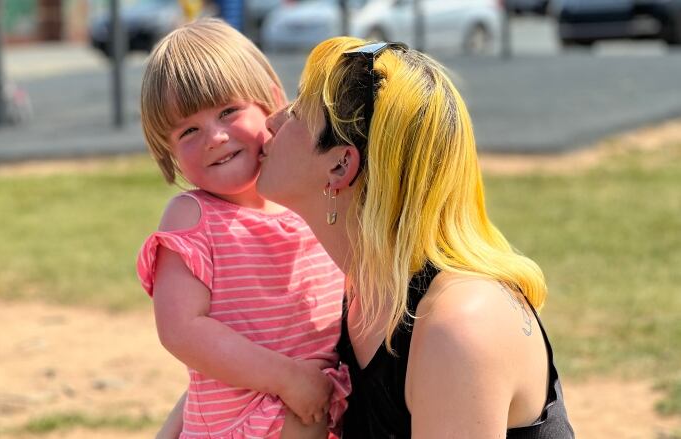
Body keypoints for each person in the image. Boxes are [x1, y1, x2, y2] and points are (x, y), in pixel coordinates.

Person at [257, 36, 575, 438]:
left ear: (340, 166)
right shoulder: (361, 289)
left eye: (298, 111)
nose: (273, 120)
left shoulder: (458, 325)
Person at [136, 19, 349, 439]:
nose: (214, 137)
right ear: (169, 151)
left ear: (270, 101)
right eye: (188, 131)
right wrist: (287, 378)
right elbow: (181, 330)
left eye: (228, 111)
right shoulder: (192, 216)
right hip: (240, 424)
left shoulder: (311, 200)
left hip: (323, 411)